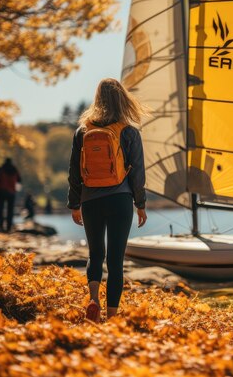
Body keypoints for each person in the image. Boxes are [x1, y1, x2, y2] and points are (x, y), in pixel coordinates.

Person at [68, 78, 148, 322]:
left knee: (95, 254)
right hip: (120, 201)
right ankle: (112, 316)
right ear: (122, 99)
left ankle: (93, 300)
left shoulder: (83, 130)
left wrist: (75, 203)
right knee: (115, 259)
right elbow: (137, 173)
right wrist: (140, 203)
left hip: (91, 200)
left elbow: (74, 172)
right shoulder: (129, 131)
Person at [0, 157, 22, 232]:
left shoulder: (1, 168)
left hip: (0, 191)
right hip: (11, 192)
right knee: (10, 210)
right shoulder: (14, 170)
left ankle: (1, 225)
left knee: (0, 209)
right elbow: (19, 180)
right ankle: (9, 227)